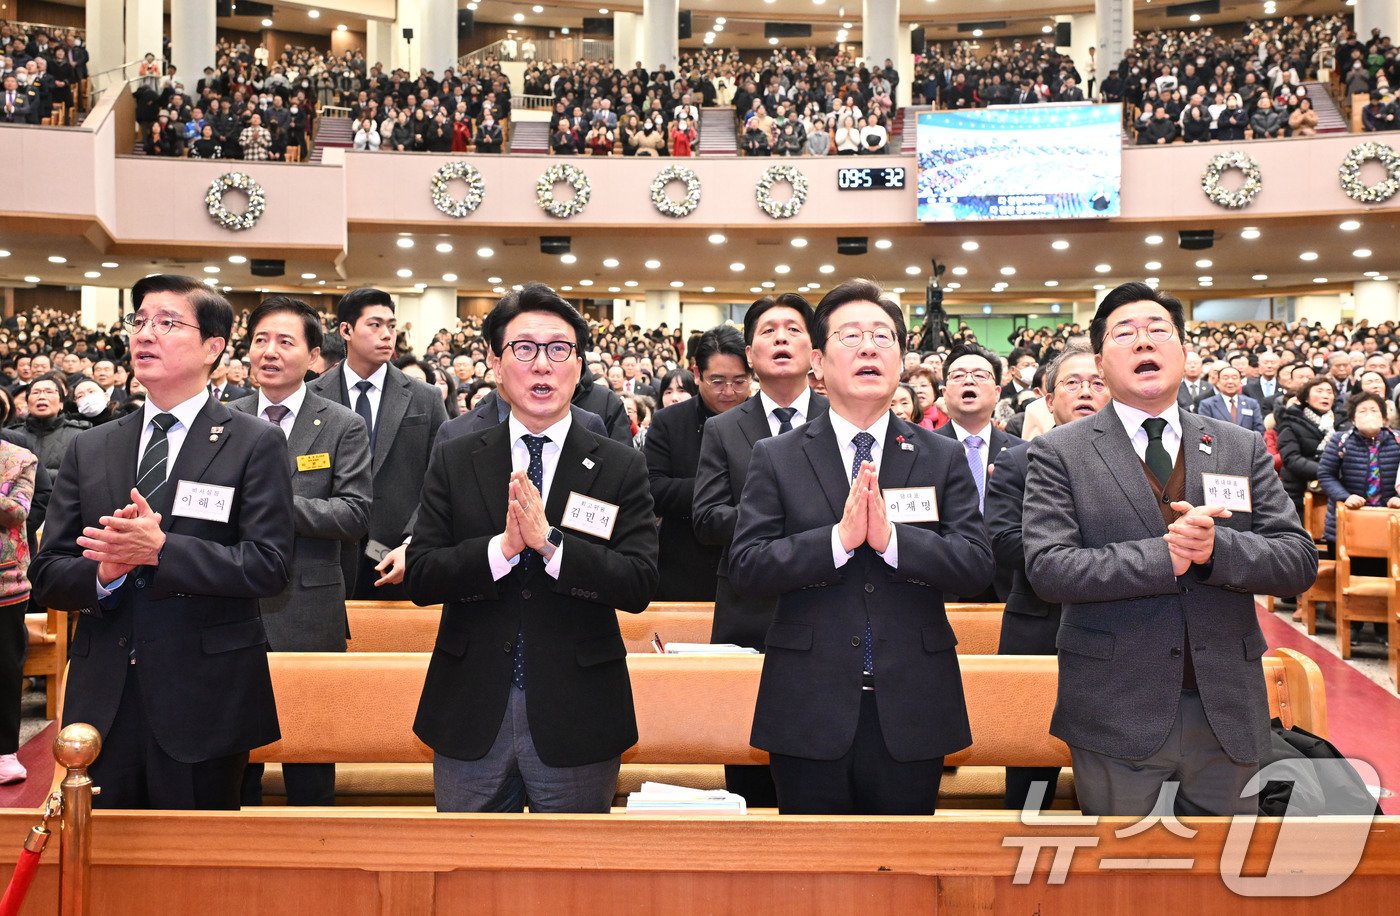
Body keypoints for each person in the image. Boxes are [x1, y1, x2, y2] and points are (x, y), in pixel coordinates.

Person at [1022, 281, 1317, 817]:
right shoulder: (1060, 453)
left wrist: (1214, 551)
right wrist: (1166, 557)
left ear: (1184, 353)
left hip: (1226, 709)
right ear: (1101, 362)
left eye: (1159, 331)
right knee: (1122, 885)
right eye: (1125, 334)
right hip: (1114, 711)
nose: (1144, 342)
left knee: (1222, 887)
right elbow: (1049, 568)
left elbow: (1296, 559)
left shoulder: (1237, 445)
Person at [29, 275, 294, 810]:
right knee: (106, 867)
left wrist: (161, 550)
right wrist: (103, 574)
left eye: (168, 323)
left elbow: (268, 566)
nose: (146, 334)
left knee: (200, 873)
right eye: (140, 321)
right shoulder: (93, 446)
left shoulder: (253, 441)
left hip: (205, 695)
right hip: (104, 696)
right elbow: (49, 571)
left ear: (213, 348)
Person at [729, 279, 991, 815]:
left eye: (882, 336)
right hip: (808, 702)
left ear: (900, 360)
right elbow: (747, 566)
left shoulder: (939, 456)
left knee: (904, 878)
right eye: (851, 336)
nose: (869, 346)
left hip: (912, 702)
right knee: (811, 882)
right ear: (819, 364)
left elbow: (975, 564)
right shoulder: (777, 456)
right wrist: (837, 541)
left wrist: (894, 542)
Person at [406, 284, 659, 813]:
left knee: (574, 886)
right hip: (472, 708)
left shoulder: (618, 464)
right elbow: (423, 575)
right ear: (497, 366)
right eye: (523, 349)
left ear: (578, 365)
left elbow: (638, 583)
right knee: (466, 880)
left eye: (557, 349)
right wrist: (501, 549)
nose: (541, 364)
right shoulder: (457, 457)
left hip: (578, 711)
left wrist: (551, 546)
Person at [232, 297, 373, 807]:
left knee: (310, 759)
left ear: (315, 357)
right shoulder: (222, 420)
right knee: (236, 755)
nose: (270, 352)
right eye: (260, 340)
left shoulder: (340, 424)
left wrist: (273, 502)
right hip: (233, 604)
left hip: (307, 609)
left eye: (285, 341)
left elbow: (354, 515)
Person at [692, 294, 829, 806]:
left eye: (792, 329)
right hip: (749, 613)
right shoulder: (724, 428)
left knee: (821, 759)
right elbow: (706, 518)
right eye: (768, 331)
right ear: (749, 354)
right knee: (748, 767)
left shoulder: (844, 419)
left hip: (826, 605)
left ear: (814, 351)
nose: (780, 338)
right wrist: (789, 523)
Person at [985, 340, 1110, 811]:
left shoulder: (1137, 461)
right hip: (1039, 627)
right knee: (1029, 784)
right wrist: (1082, 560)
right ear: (1047, 397)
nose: (1084, 392)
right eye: (1071, 383)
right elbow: (1000, 539)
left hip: (1116, 630)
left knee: (1109, 778)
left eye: (1096, 383)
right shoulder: (1020, 460)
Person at [308, 289, 448, 600]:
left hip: (398, 555)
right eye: (374, 325)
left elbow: (441, 479)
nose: (387, 335)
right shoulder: (312, 395)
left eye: (391, 325)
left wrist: (413, 542)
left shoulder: (425, 397)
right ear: (346, 330)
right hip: (324, 556)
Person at [645, 326, 750, 601]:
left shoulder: (766, 420)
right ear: (696, 374)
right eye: (717, 381)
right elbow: (652, 488)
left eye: (739, 381)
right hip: (684, 566)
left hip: (751, 564)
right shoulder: (669, 422)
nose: (729, 391)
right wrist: (716, 491)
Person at [936, 343, 1023, 601]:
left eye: (980, 375)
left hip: (1008, 588)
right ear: (943, 392)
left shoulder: (1023, 453)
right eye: (959, 375)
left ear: (997, 392)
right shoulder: (921, 450)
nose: (969, 381)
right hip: (942, 584)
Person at [1315, 391, 1400, 647]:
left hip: (1387, 522)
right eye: (1362, 411)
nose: (1369, 415)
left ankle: (1384, 628)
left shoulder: (1396, 440)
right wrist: (1345, 496)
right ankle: (1353, 626)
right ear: (1352, 418)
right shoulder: (1341, 440)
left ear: (1385, 417)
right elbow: (1325, 474)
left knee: (1385, 573)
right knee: (1354, 570)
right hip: (1348, 520)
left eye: (1374, 410)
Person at [0, 431, 36, 784]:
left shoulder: (19, 457)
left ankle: (4, 751)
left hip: (5, 582)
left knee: (4, 666)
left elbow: (17, 512)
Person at [1276, 375, 1337, 521]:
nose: (1325, 395)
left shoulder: (1341, 422)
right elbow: (1291, 459)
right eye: (1319, 391)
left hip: (1334, 491)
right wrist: (1328, 471)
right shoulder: (1290, 421)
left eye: (1329, 392)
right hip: (1299, 491)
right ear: (1306, 398)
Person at [23, 373, 89, 472]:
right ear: (28, 403)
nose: (41, 397)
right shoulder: (12, 436)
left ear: (61, 403)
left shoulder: (79, 435)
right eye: (35, 392)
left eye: (49, 392)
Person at [1196, 366, 1265, 434]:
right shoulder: (1207, 404)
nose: (1230, 381)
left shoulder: (1251, 403)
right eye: (1225, 378)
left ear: (1240, 382)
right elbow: (1205, 431)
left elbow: (1259, 430)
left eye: (1234, 378)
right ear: (1218, 382)